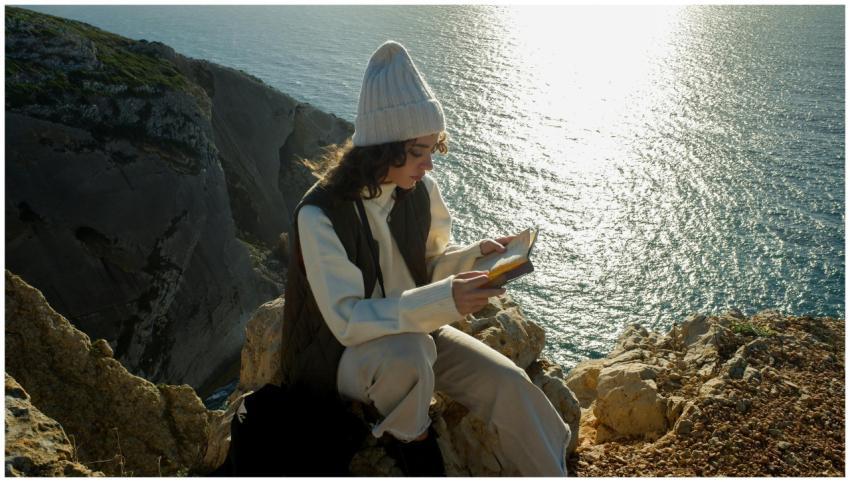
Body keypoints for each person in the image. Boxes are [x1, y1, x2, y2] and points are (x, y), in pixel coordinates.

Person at [280, 40, 570, 476]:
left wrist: (477, 258)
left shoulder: (418, 192)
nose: (429, 165)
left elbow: (431, 266)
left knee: (510, 385)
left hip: (413, 331)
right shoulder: (321, 214)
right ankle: (415, 444)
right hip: (339, 358)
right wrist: (443, 301)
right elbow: (348, 321)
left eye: (434, 149)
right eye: (419, 152)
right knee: (412, 352)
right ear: (383, 148)